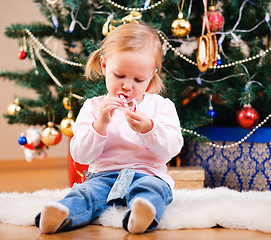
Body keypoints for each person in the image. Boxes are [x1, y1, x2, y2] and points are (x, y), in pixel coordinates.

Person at [34, 22, 184, 234]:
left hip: (148, 174)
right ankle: (61, 215)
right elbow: (81, 155)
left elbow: (172, 149)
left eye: (139, 79)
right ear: (104, 66)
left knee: (151, 191)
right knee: (85, 194)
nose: (127, 86)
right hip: (103, 176)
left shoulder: (160, 106)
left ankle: (142, 215)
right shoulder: (94, 107)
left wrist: (149, 129)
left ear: (152, 74)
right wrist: (100, 125)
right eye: (119, 75)